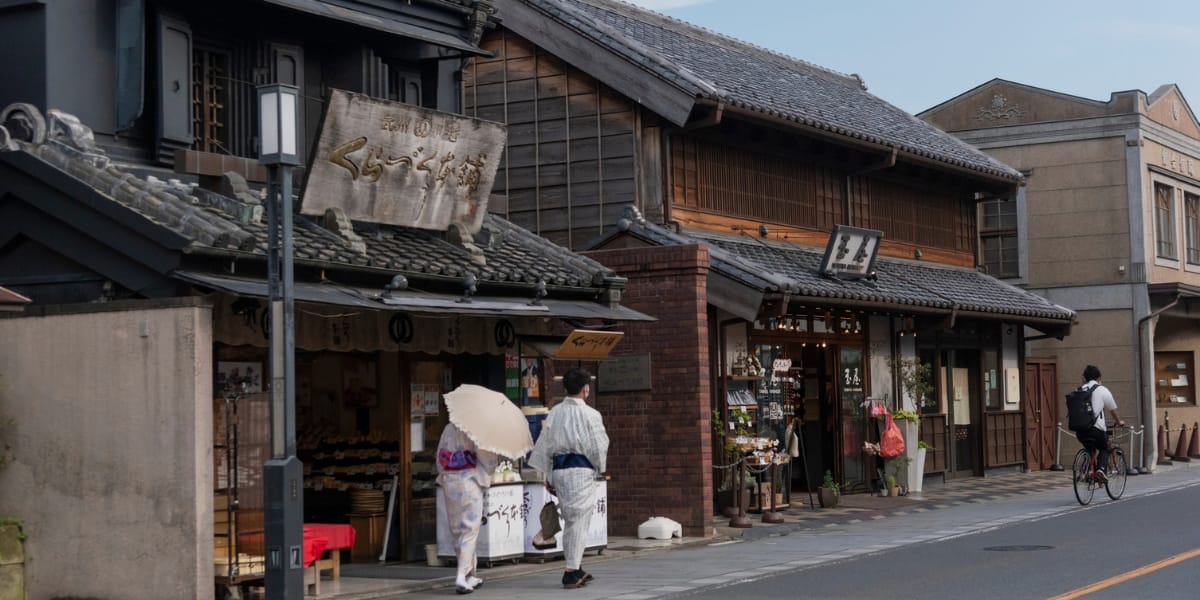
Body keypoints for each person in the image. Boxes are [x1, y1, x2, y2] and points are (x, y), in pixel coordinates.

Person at [527, 368, 610, 589]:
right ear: (585, 389)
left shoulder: (555, 412)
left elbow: (545, 443)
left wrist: (547, 474)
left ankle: (576, 565)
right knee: (578, 521)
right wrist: (599, 467)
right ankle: (571, 571)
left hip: (559, 470)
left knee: (573, 519)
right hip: (581, 470)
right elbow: (598, 445)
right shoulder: (591, 414)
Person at [436, 421, 498, 594]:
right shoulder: (476, 427)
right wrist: (492, 466)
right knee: (470, 529)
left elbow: (440, 457)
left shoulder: (449, 427)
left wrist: (447, 471)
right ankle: (461, 575)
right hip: (469, 480)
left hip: (450, 480)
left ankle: (471, 574)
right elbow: (486, 457)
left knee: (457, 529)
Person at [1075, 365, 1124, 482]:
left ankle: (1086, 470)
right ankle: (1101, 470)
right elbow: (1112, 410)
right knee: (1104, 447)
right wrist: (1119, 421)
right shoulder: (1102, 390)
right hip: (1096, 430)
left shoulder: (1079, 390)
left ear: (1084, 378)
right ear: (1099, 378)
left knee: (1090, 448)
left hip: (1080, 430)